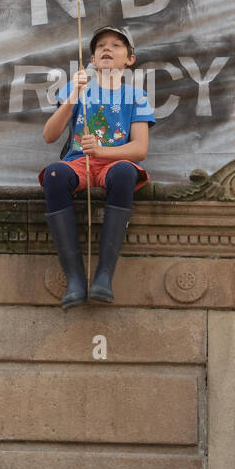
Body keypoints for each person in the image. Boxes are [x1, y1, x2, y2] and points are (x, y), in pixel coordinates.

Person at [39, 25, 155, 308]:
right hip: (78, 163)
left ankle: (104, 275)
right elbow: (49, 135)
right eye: (101, 45)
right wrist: (72, 96)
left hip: (114, 163)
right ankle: (75, 279)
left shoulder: (135, 96)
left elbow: (140, 148)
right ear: (92, 58)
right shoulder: (77, 88)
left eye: (116, 45)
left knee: (126, 172)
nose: (107, 49)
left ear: (130, 59)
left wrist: (103, 150)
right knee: (54, 174)